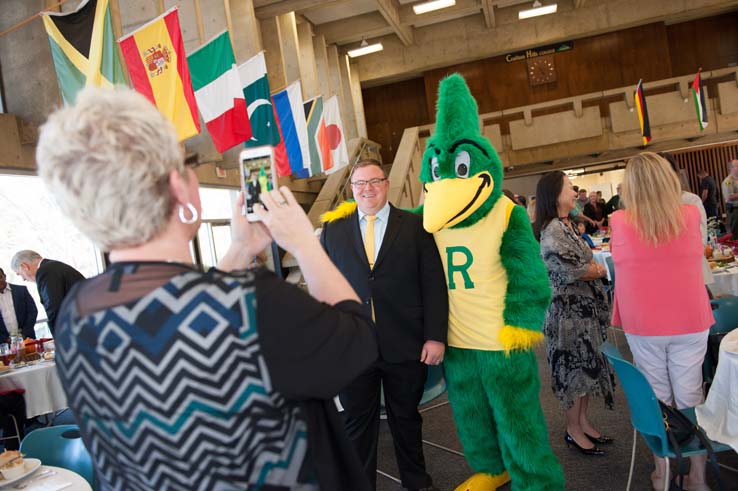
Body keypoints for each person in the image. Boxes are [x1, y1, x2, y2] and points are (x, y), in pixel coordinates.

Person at [34, 86, 378, 491]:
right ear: (180, 188)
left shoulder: (79, 314)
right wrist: (303, 242)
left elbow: (174, 315)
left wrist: (237, 251)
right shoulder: (251, 303)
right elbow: (357, 341)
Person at [320, 159, 448, 491]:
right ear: (351, 190)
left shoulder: (415, 226)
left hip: (405, 342)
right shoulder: (334, 231)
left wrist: (435, 337)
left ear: (387, 184)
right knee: (356, 424)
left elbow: (433, 284)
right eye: (360, 184)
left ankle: (416, 482)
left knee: (406, 419)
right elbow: (324, 287)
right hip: (353, 347)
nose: (368, 189)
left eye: (374, 181)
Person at [610, 152, 714, 491]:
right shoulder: (688, 214)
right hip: (690, 318)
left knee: (658, 397)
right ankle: (697, 476)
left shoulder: (619, 221)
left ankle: (664, 471)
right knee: (691, 394)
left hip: (645, 324)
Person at [535, 171, 615, 457]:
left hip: (582, 312)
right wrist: (598, 270)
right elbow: (577, 269)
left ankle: (582, 422)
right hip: (566, 316)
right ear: (555, 194)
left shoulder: (566, 224)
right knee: (572, 373)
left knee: (585, 372)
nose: (573, 191)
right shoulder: (553, 230)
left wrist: (591, 268)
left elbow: (587, 261)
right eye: (569, 187)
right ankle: (573, 429)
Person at [10, 251, 83, 335]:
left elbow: (54, 308)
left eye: (19, 274)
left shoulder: (45, 272)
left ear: (24, 266)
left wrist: (58, 339)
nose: (23, 279)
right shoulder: (51, 267)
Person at [0, 268, 37, 343]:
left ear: (4, 276)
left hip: (27, 338)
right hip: (3, 345)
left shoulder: (21, 290)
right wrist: (5, 339)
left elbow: (32, 311)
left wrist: (24, 334)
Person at [721, 158, 738, 238]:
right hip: (734, 211)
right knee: (736, 234)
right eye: (737, 166)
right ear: (731, 168)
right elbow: (729, 197)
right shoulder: (728, 181)